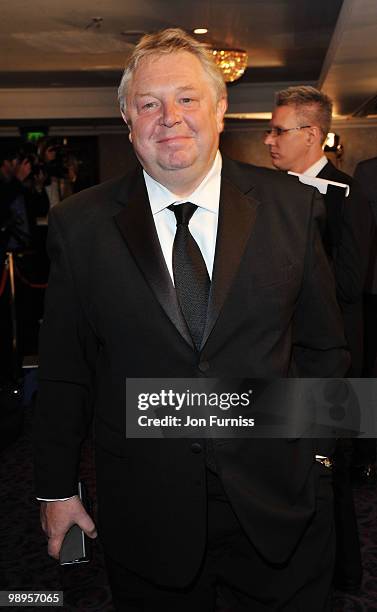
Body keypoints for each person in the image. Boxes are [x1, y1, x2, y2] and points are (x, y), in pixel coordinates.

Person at [33, 30, 349, 611]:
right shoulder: (80, 226)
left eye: (186, 98)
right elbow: (64, 372)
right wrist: (55, 489)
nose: (169, 118)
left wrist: (321, 458)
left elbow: (324, 347)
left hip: (281, 505)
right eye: (149, 103)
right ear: (128, 119)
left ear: (220, 109)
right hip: (146, 512)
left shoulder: (293, 208)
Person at [264, 85, 370, 593]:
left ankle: (339, 582)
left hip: (332, 361)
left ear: (312, 135)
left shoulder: (348, 195)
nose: (269, 141)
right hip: (278, 356)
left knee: (332, 474)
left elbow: (351, 287)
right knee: (282, 471)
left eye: (279, 131)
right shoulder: (267, 195)